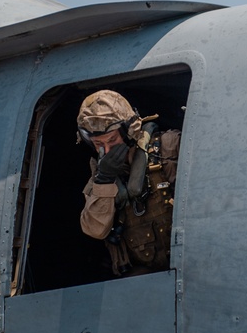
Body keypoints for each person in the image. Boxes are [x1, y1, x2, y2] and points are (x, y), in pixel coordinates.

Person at [76, 89, 180, 276]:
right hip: (145, 280)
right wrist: (105, 181)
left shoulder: (168, 147)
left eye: (113, 140)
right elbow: (95, 229)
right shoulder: (99, 179)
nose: (107, 150)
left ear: (128, 130)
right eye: (99, 144)